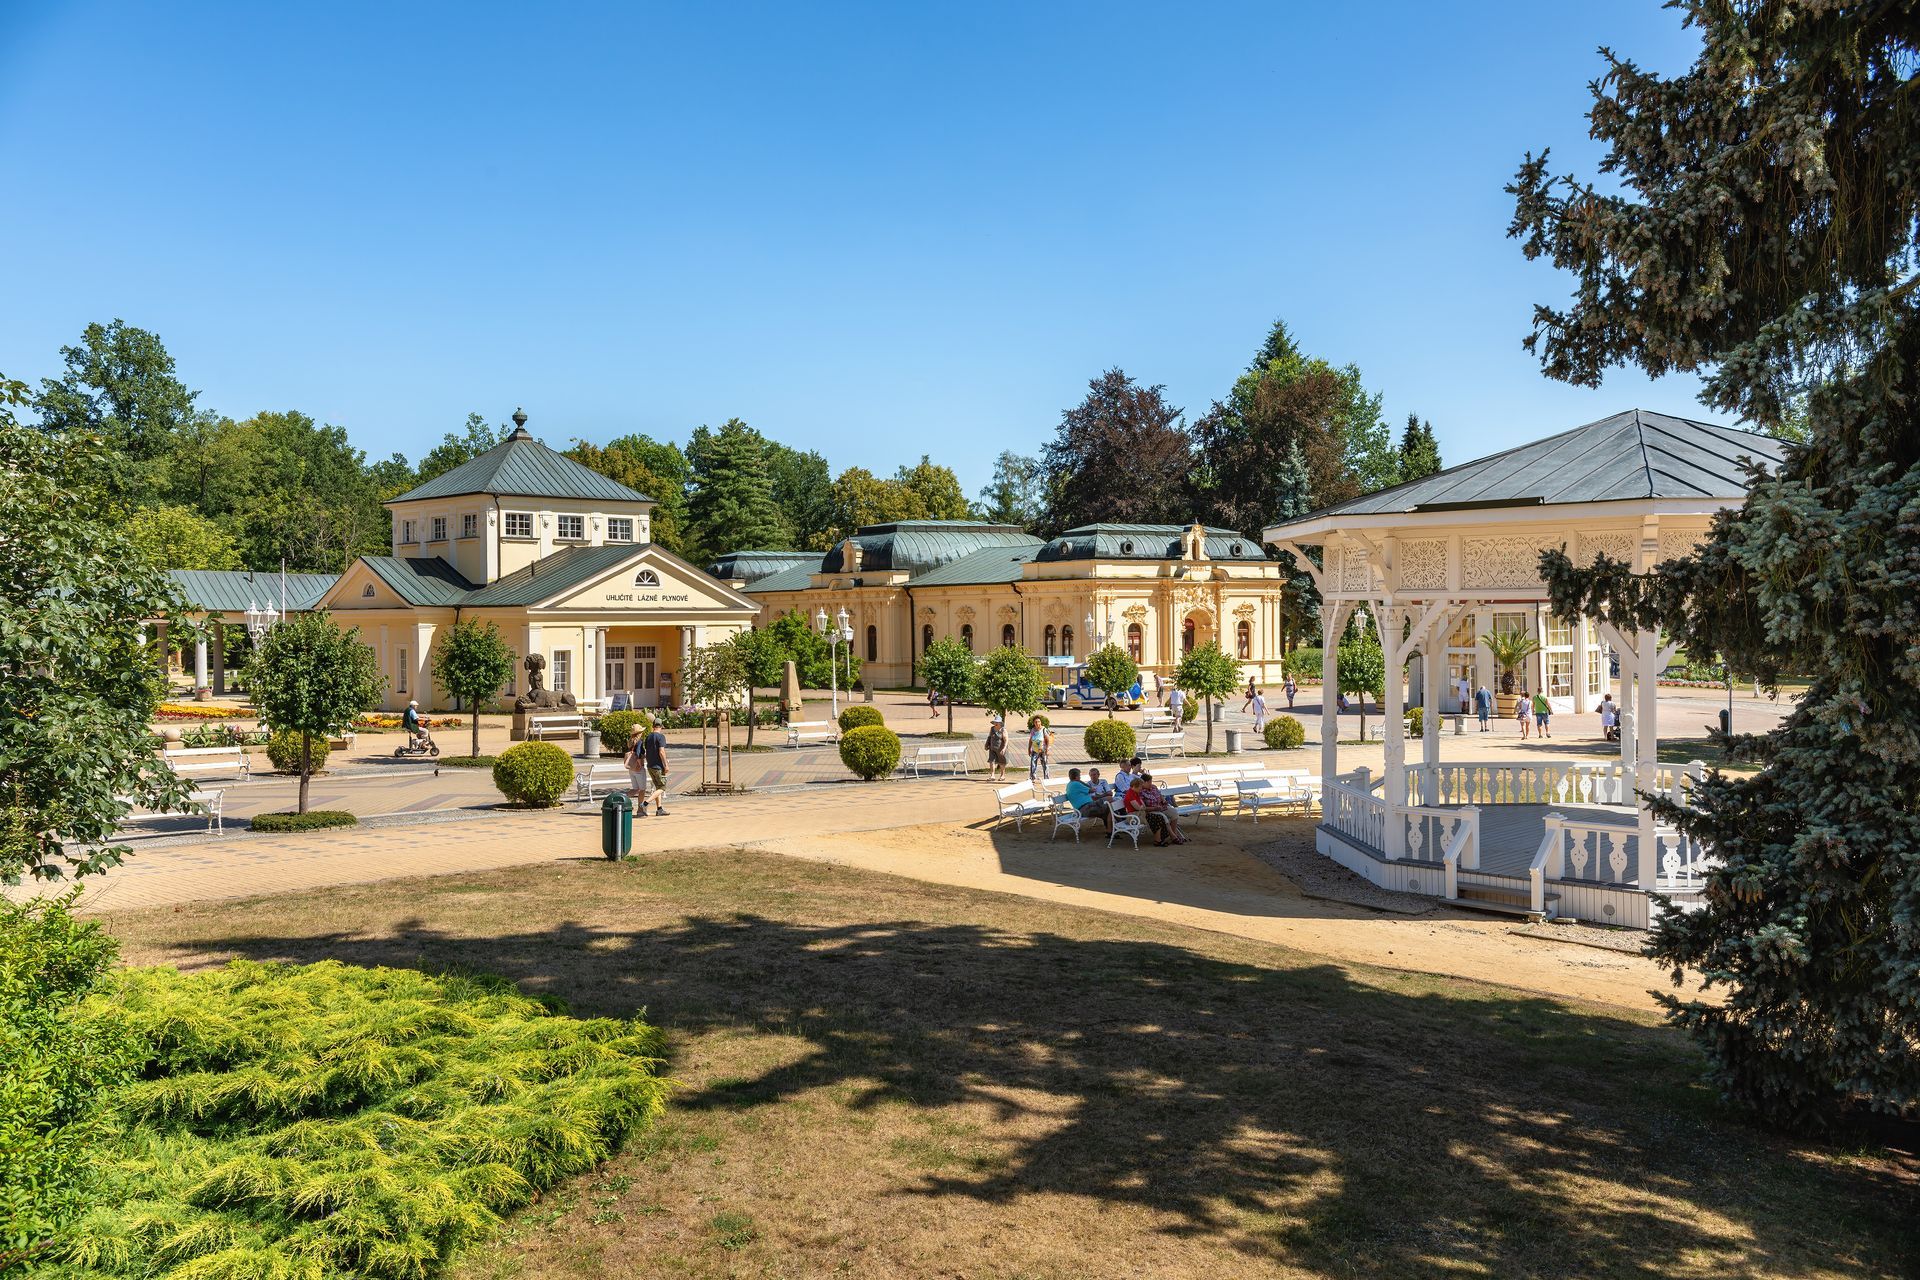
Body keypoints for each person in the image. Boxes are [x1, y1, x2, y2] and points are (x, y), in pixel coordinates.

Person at [641, 721, 670, 815]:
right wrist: (666, 765)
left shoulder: (648, 737)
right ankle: (646, 803)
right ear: (661, 727)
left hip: (650, 766)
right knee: (662, 787)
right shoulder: (661, 737)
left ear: (653, 726)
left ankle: (659, 809)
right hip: (658, 767)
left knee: (657, 787)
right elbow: (661, 751)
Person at [1026, 715, 1053, 789]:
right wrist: (1029, 749)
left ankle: (1046, 778)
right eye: (1036, 722)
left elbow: (1048, 740)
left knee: (1044, 764)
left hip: (1043, 750)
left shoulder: (1044, 729)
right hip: (1035, 750)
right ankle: (1033, 778)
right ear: (1034, 723)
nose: (1037, 723)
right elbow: (1031, 739)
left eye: (1039, 721)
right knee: (1033, 763)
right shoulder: (1033, 730)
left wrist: (1047, 749)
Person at [984, 713, 1008, 781]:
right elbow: (989, 737)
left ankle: (1002, 775)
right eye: (995, 722)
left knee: (1002, 762)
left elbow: (1006, 741)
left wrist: (1004, 748)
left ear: (1000, 723)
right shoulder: (992, 729)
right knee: (991, 761)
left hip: (1000, 749)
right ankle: (992, 775)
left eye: (997, 722)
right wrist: (986, 744)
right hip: (992, 748)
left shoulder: (1003, 730)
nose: (996, 723)